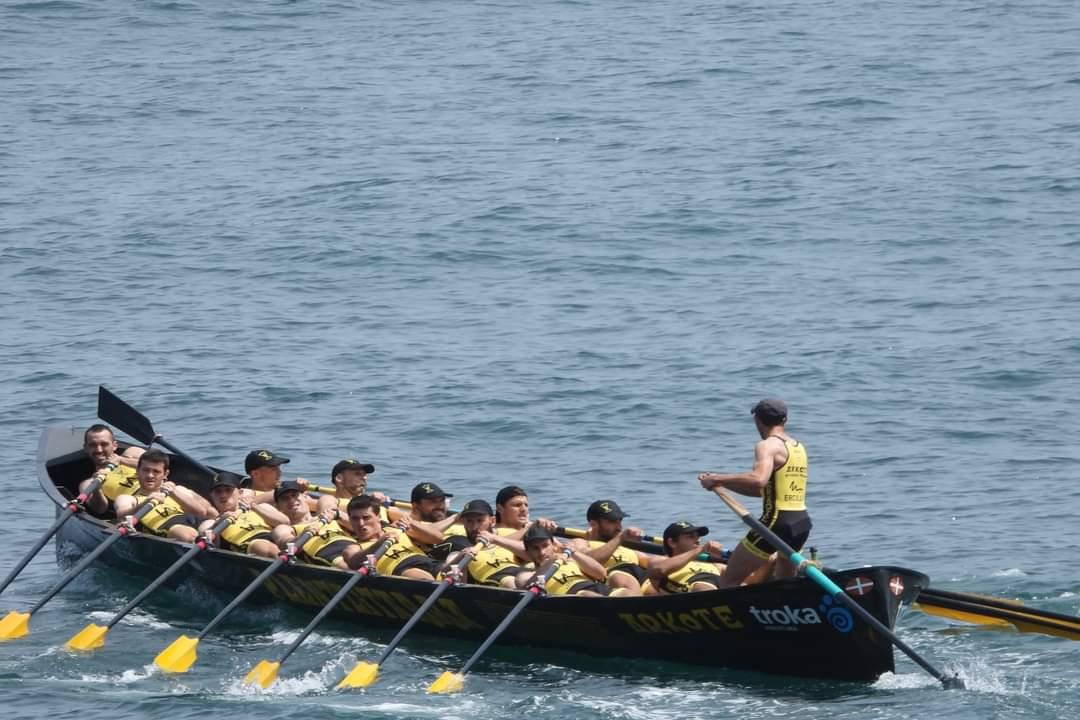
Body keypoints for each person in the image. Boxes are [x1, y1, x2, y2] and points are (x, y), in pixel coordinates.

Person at [698, 398, 811, 586]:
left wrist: (718, 478)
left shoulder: (767, 446)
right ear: (785, 420)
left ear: (757, 420)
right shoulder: (798, 447)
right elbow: (763, 491)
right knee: (783, 584)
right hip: (801, 523)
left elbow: (758, 479)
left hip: (776, 523)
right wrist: (722, 485)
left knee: (729, 580)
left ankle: (737, 615)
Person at [114, 449, 217, 542]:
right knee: (186, 535)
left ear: (165, 474)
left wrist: (174, 493)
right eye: (146, 470)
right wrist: (145, 503)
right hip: (169, 526)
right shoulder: (128, 498)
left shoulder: (176, 490)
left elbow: (201, 513)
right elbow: (122, 515)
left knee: (213, 527)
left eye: (156, 472)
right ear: (138, 471)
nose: (150, 475)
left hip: (192, 519)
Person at [344, 495, 444, 580]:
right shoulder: (353, 547)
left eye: (366, 518)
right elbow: (354, 562)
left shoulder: (398, 530)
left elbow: (438, 539)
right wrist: (380, 542)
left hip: (428, 562)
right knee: (422, 577)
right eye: (355, 519)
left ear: (378, 517)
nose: (361, 524)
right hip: (403, 569)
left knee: (453, 566)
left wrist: (412, 523)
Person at [269, 480, 361, 568]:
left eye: (294, 495)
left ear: (305, 497)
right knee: (346, 565)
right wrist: (302, 535)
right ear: (278, 507)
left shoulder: (329, 515)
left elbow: (360, 527)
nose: (291, 500)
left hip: (353, 546)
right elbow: (285, 542)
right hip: (327, 552)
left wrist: (339, 515)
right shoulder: (285, 528)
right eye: (285, 498)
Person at [199, 471, 286, 558]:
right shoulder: (210, 522)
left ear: (240, 493)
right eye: (218, 491)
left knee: (283, 534)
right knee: (264, 547)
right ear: (211, 496)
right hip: (248, 546)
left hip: (275, 539)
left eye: (228, 490)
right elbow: (207, 540)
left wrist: (254, 507)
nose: (223, 495)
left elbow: (285, 523)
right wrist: (220, 521)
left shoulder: (261, 507)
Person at [516, 524, 616, 597]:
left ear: (554, 546)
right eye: (535, 548)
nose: (542, 552)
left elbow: (601, 574)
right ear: (528, 552)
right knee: (587, 594)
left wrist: (574, 553)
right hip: (575, 598)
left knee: (625, 592)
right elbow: (525, 587)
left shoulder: (573, 560)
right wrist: (550, 562)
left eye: (545, 546)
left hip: (596, 588)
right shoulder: (526, 575)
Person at [452, 499, 526, 588]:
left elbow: (530, 555)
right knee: (509, 582)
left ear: (493, 521)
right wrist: (460, 557)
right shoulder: (461, 545)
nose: (475, 527)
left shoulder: (503, 538)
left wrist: (494, 539)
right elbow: (447, 571)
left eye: (480, 521)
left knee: (527, 576)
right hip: (496, 580)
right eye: (469, 521)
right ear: (464, 523)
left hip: (520, 572)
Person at [580, 500, 648, 595]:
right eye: (612, 521)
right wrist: (621, 537)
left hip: (639, 574)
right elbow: (590, 560)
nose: (619, 527)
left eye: (620, 520)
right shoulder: (582, 543)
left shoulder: (625, 546)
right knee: (620, 578)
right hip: (615, 578)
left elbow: (650, 562)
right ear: (593, 524)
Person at [77, 424, 145, 516]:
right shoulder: (89, 483)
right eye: (93, 445)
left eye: (104, 444)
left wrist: (122, 460)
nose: (99, 450)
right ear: (86, 448)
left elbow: (158, 466)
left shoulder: (132, 454)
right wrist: (97, 488)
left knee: (134, 451)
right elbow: (99, 509)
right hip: (136, 507)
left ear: (114, 445)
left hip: (160, 493)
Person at [647, 522, 727, 593]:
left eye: (697, 537)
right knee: (702, 586)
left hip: (719, 587)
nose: (697, 541)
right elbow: (659, 570)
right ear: (672, 543)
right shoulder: (660, 560)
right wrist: (700, 549)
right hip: (695, 592)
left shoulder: (716, 565)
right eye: (691, 537)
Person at [493, 485, 557, 538]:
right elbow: (497, 544)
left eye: (526, 505)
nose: (524, 509)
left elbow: (559, 547)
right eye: (517, 505)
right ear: (500, 509)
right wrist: (530, 528)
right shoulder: (492, 532)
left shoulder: (531, 528)